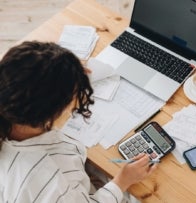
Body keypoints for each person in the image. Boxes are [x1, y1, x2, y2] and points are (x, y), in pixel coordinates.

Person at [0, 41, 157, 202]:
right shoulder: (45, 181)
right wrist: (122, 181)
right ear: (50, 113)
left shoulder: (15, 120)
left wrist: (70, 71)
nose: (77, 103)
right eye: (74, 97)